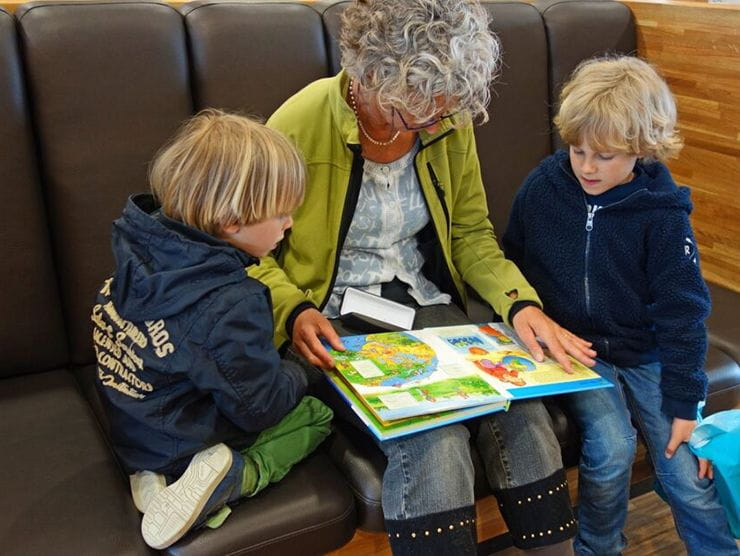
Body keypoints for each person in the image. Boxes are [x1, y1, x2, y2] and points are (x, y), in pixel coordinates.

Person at [252, 1, 597, 554]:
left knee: (522, 412)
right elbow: (247, 251)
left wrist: (520, 305)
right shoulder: (298, 124)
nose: (437, 122)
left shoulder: (445, 117)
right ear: (371, 77)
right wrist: (293, 310)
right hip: (332, 316)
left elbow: (471, 234)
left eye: (447, 107)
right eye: (419, 110)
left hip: (423, 303)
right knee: (432, 433)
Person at [503, 56, 739, 555]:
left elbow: (683, 312)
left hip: (649, 353)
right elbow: (510, 262)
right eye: (578, 150)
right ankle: (597, 548)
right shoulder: (545, 186)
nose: (587, 166)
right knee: (610, 451)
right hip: (579, 352)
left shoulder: (663, 211)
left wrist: (684, 402)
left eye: (605, 155)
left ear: (642, 149)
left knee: (685, 472)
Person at [91, 109, 333, 550]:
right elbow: (261, 407)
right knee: (316, 417)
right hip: (183, 434)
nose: (289, 224)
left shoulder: (139, 245)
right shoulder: (229, 304)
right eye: (281, 214)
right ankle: (235, 476)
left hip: (133, 427)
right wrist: (303, 371)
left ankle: (153, 476)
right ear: (231, 221)